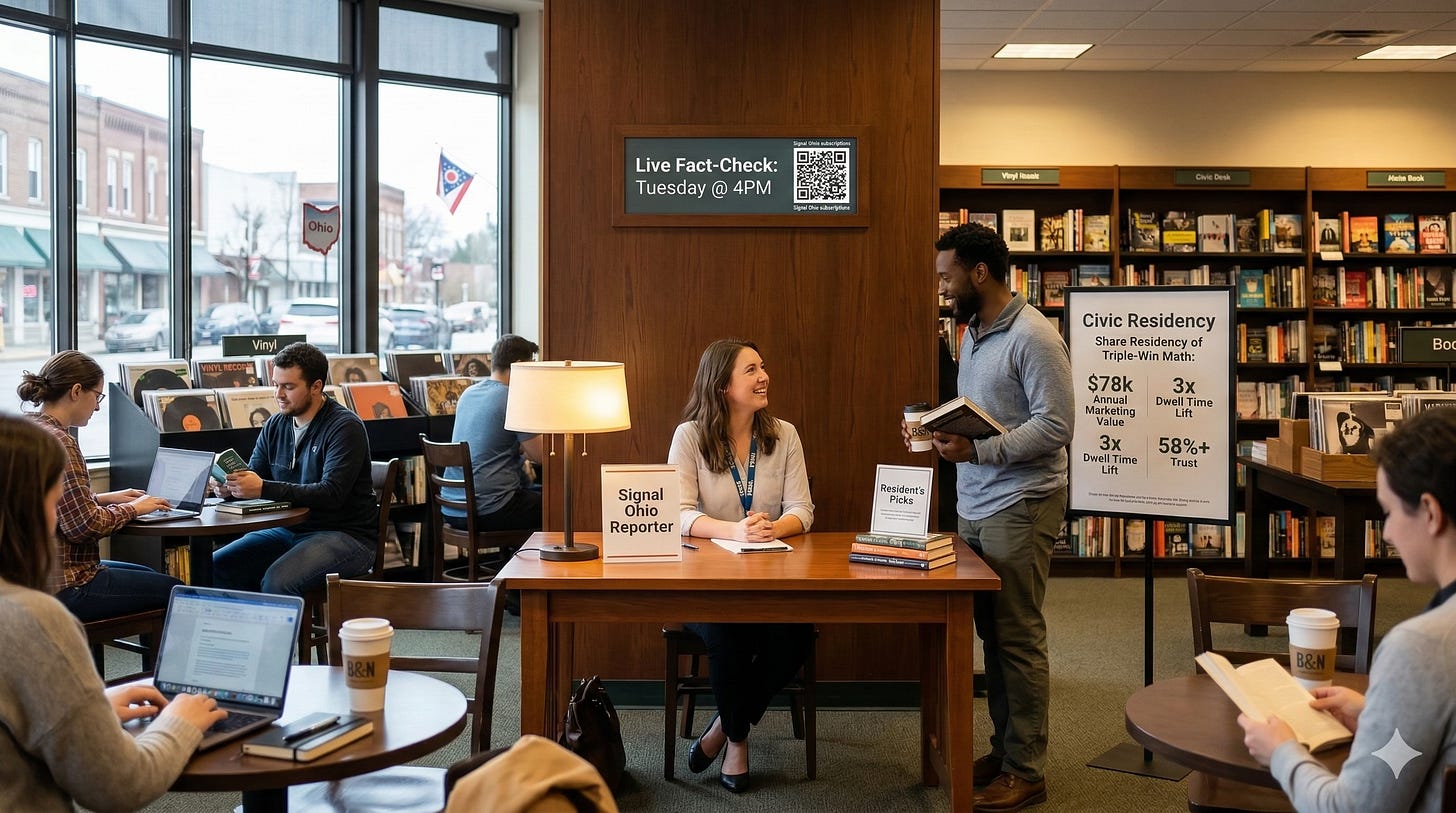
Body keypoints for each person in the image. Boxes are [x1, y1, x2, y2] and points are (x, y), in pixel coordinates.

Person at [910, 222, 1073, 812]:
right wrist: (944, 430)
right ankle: (1007, 751)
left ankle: (1027, 769)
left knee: (1017, 636)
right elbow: (990, 412)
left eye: (946, 276)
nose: (942, 288)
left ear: (979, 273)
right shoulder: (973, 332)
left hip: (1022, 503)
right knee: (992, 634)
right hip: (976, 501)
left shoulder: (1034, 336)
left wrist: (978, 450)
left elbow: (1057, 427)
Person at [0, 415, 227, 810]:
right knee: (171, 590)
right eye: (55, 503)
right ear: (27, 510)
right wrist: (181, 719)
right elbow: (119, 784)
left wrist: (91, 708)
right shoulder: (31, 619)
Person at [1239, 406, 1456, 812]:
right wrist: (1379, 714)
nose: (1387, 533)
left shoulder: (1420, 647)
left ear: (1430, 512)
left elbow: (1351, 810)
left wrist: (1282, 753)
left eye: (1388, 513)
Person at [667, 338, 815, 794]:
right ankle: (736, 742)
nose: (763, 376)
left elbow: (804, 510)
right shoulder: (690, 436)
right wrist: (734, 531)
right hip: (703, 581)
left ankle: (719, 729)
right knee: (728, 631)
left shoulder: (784, 434)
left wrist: (773, 528)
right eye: (751, 370)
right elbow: (678, 513)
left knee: (797, 634)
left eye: (763, 367)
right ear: (722, 385)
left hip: (771, 577)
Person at [16, 350, 180, 621]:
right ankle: (163, 664)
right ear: (77, 391)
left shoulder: (30, 431)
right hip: (70, 585)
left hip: (34, 577)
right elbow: (83, 526)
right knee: (174, 590)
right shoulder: (62, 443)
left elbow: (54, 503)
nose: (98, 407)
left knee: (149, 577)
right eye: (97, 396)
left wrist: (103, 498)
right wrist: (136, 509)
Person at [212, 342, 378, 596]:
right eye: (276, 384)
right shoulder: (276, 424)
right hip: (287, 529)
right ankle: (242, 634)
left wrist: (262, 487)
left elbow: (331, 494)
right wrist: (230, 487)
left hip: (345, 535)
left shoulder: (345, 427)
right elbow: (255, 475)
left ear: (316, 387)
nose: (278, 394)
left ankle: (278, 637)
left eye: (288, 387)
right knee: (215, 566)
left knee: (278, 582)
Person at [444, 335, 544, 533]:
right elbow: (541, 456)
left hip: (452, 509)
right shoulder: (513, 398)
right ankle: (536, 563)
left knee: (537, 495)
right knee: (559, 504)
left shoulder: (468, 393)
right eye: (531, 365)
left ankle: (517, 562)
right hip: (491, 510)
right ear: (519, 365)